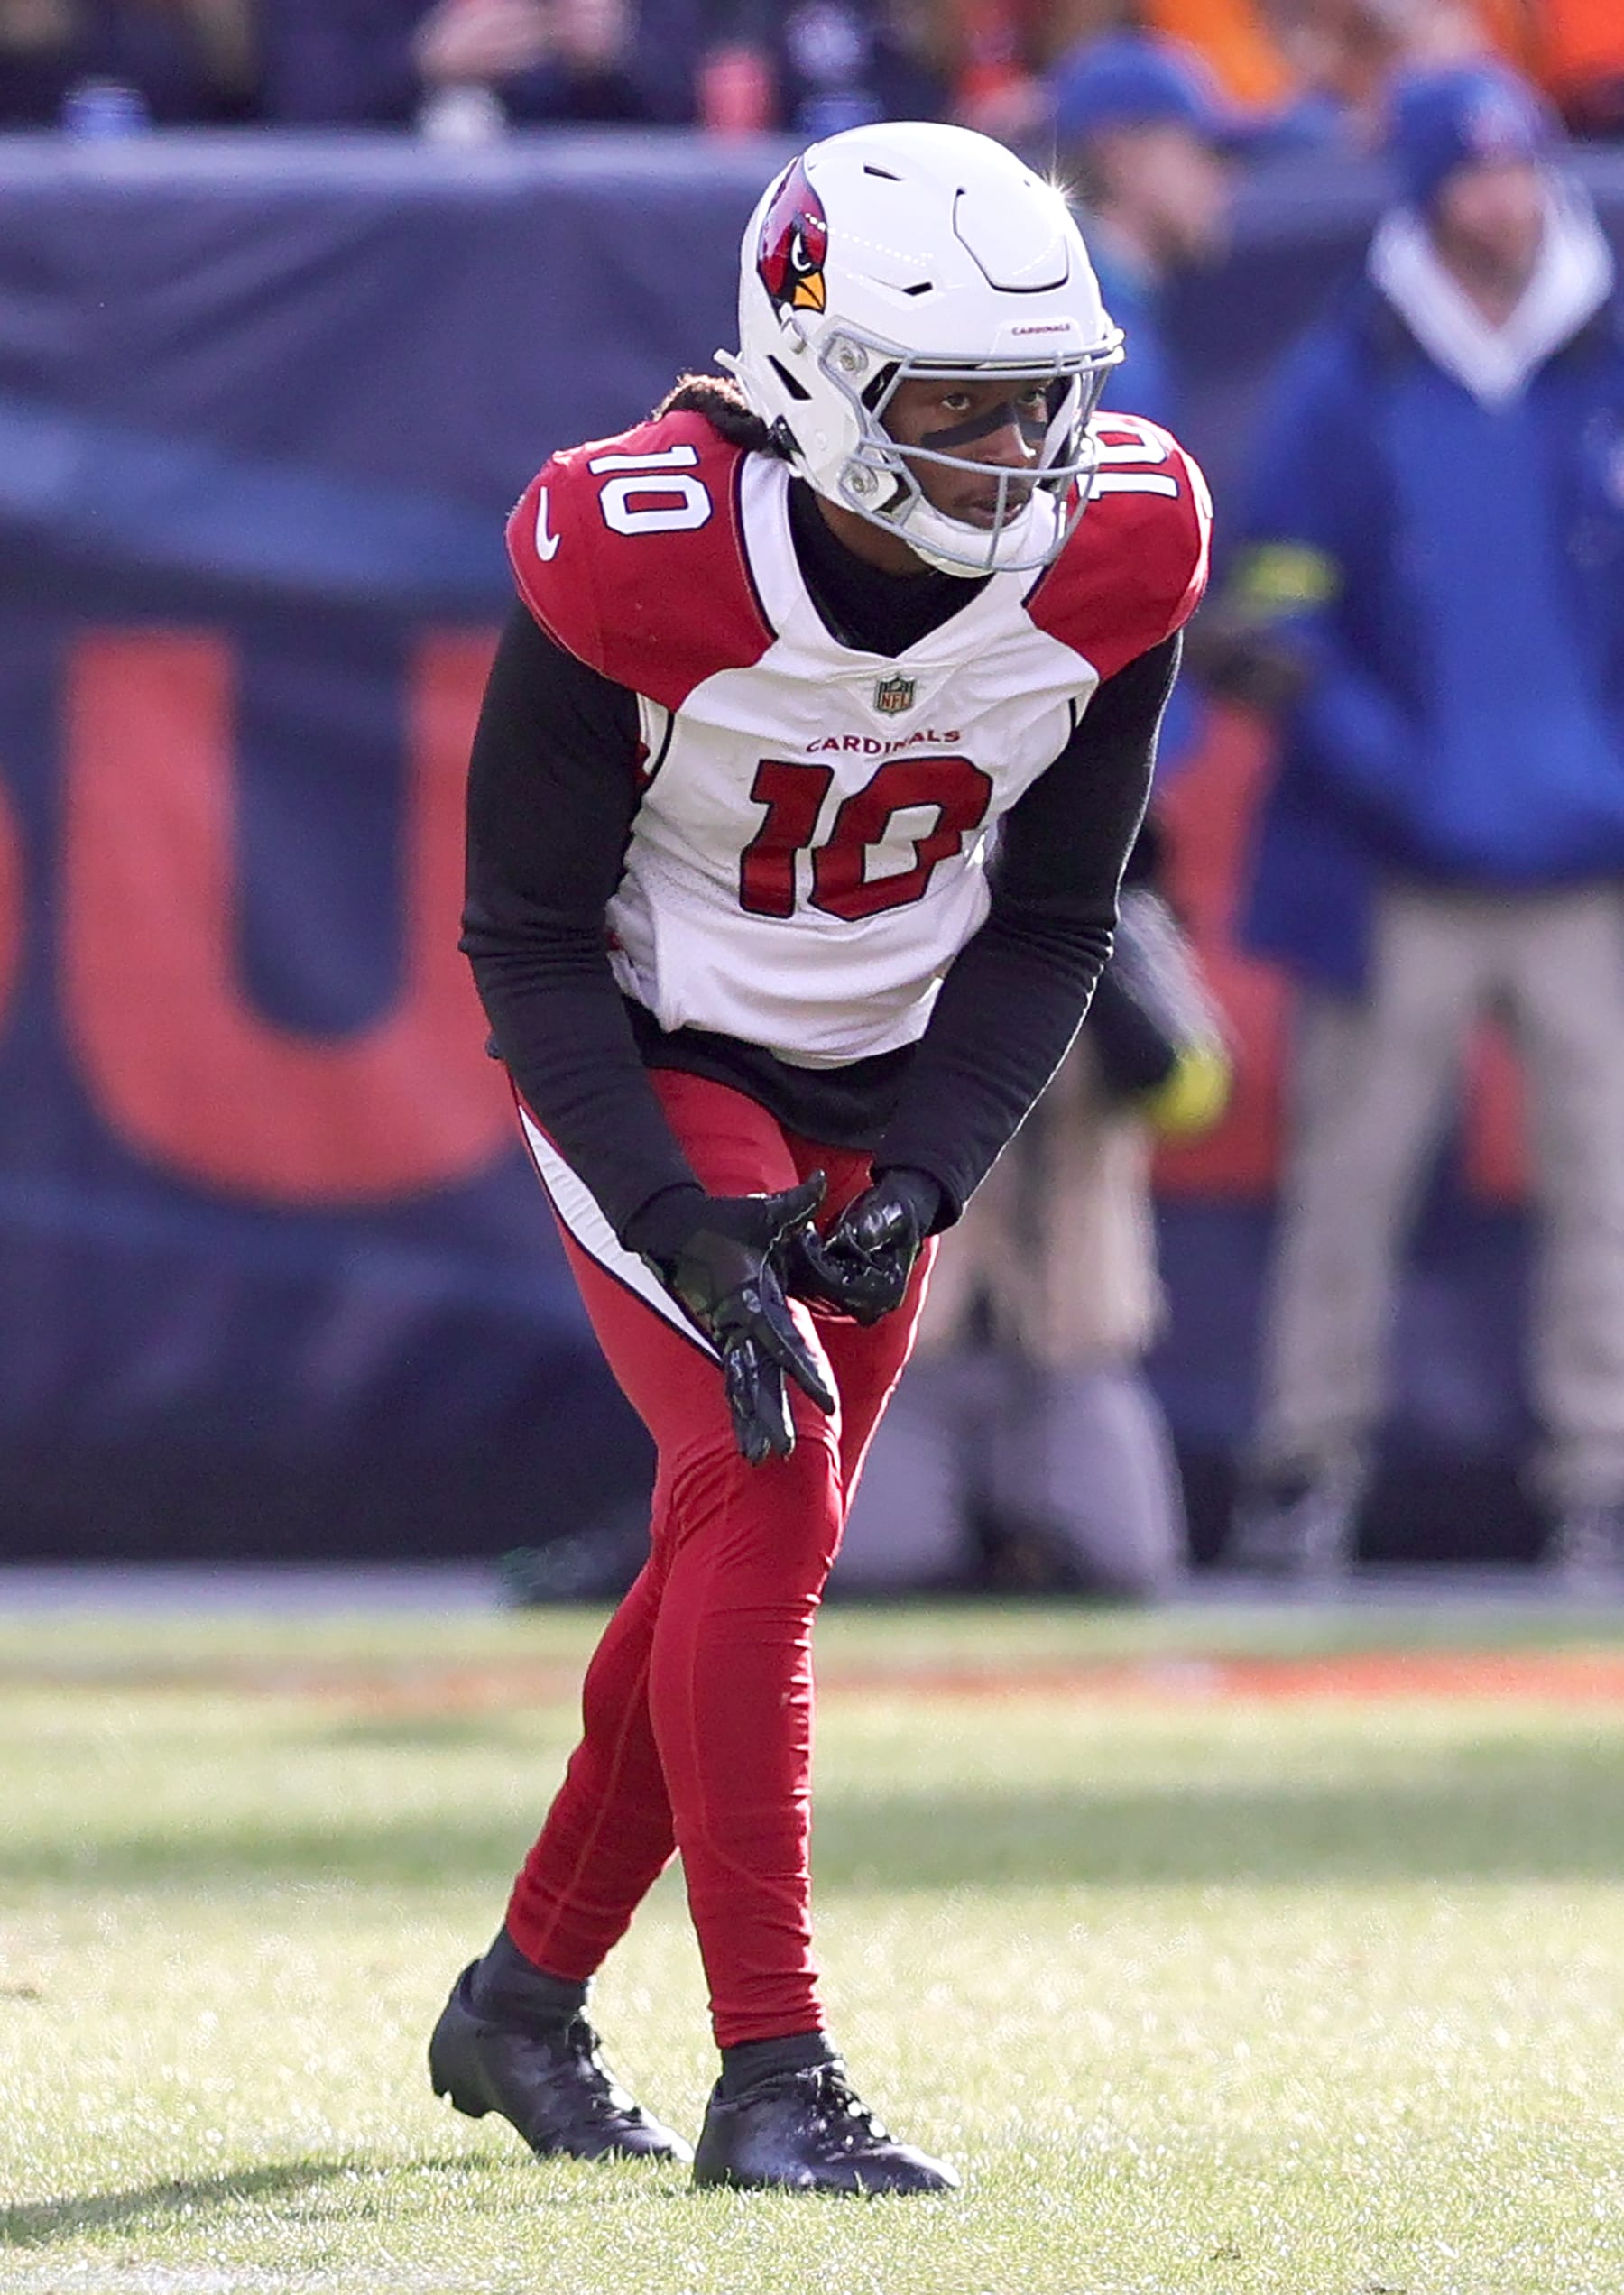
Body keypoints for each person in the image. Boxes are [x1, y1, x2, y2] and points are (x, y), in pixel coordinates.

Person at [429, 120, 1210, 2195]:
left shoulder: (1124, 538)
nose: (1013, 457)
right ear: (810, 370)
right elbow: (520, 932)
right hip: (660, 1045)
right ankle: (775, 2075)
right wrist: (679, 1220)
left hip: (890, 1076)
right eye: (953, 406)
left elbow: (1057, 918)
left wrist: (931, 1177)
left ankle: (521, 1999)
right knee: (761, 1491)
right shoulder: (645, 545)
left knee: (732, 1545)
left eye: (1042, 403)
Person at [1220, 64, 1624, 1582]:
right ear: (1425, 194)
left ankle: (1603, 1477)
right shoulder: (1354, 373)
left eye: (1524, 173)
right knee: (1351, 1187)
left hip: (1591, 867)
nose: (1507, 203)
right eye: (1475, 176)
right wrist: (1393, 767)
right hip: (1394, 867)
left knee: (1610, 1190)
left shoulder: (1606, 349)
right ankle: (1304, 1469)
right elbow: (1275, 608)